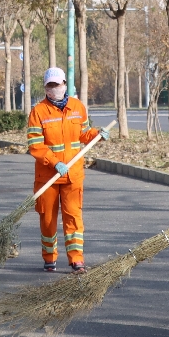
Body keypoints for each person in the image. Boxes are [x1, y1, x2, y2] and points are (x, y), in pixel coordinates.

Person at [26, 67, 109, 273]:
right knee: (47, 219)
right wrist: (54, 162)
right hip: (48, 175)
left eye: (57, 84)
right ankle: (49, 258)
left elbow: (83, 133)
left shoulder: (77, 107)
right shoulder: (38, 112)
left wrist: (97, 135)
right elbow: (35, 145)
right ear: (45, 87)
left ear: (64, 84)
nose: (53, 88)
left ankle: (76, 259)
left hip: (73, 174)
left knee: (73, 217)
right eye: (50, 85)